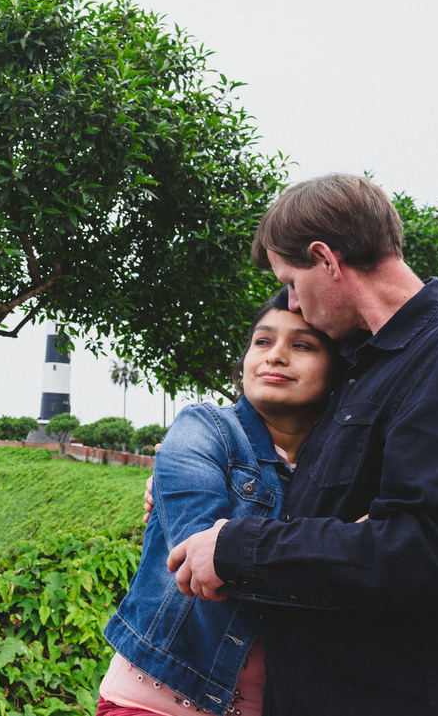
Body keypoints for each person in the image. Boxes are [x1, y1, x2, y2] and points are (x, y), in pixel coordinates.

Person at [167, 173, 438, 715]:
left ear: (326, 258)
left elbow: (430, 551)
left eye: (292, 282)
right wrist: (194, 479)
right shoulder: (355, 373)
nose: (294, 304)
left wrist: (235, 548)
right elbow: (329, 518)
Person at [98, 292, 337, 715]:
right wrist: (340, 547)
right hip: (159, 698)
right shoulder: (204, 428)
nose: (275, 356)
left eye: (302, 345)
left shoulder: (345, 462)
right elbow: (205, 563)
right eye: (262, 342)